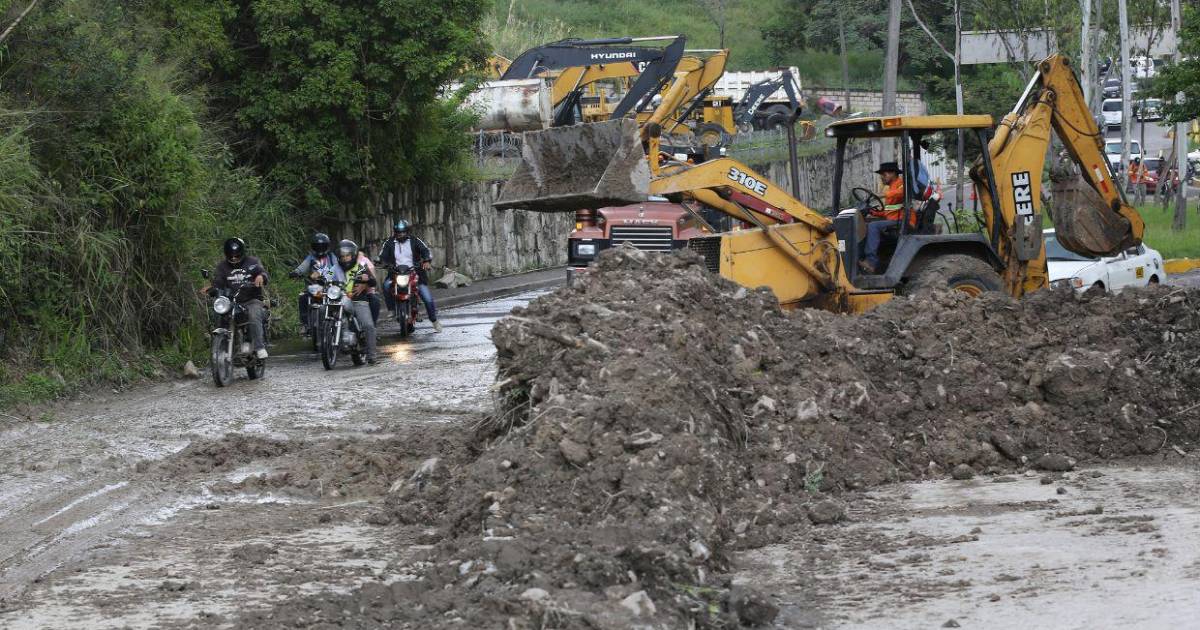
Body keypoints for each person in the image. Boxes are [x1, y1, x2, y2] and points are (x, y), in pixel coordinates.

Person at [203, 237, 270, 359]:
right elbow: (218, 281)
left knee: (254, 314)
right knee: (220, 315)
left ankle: (259, 347)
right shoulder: (222, 267)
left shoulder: (253, 262)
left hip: (251, 299)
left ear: (242, 253)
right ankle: (221, 348)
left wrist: (261, 276)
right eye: (231, 256)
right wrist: (212, 289)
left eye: (237, 255)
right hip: (230, 301)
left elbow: (263, 273)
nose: (234, 258)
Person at [377, 219, 442, 332]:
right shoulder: (389, 242)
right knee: (386, 286)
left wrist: (426, 260)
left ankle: (434, 320)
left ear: (407, 232)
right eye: (398, 232)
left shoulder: (415, 240)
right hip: (396, 274)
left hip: (415, 273)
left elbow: (425, 251)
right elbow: (382, 256)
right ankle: (392, 310)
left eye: (403, 232)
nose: (401, 234)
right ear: (395, 232)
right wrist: (382, 262)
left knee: (427, 298)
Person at [337, 239, 379, 365]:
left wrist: (366, 280)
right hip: (339, 300)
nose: (345, 258)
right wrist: (319, 274)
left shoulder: (360, 267)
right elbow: (326, 274)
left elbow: (373, 281)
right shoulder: (335, 268)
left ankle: (372, 355)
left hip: (358, 300)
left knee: (368, 325)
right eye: (342, 256)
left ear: (353, 255)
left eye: (347, 256)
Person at [861, 162, 906, 274]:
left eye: (884, 174)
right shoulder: (891, 187)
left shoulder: (901, 184)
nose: (882, 177)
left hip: (902, 220)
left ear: (893, 174)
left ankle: (871, 262)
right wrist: (873, 212)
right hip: (894, 219)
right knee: (868, 224)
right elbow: (889, 211)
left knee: (873, 226)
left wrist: (883, 194)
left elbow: (901, 192)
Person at [288, 233, 338, 335]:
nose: (320, 249)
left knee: (339, 301)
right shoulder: (311, 257)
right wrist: (296, 272)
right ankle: (305, 324)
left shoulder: (331, 257)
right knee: (303, 297)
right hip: (315, 287)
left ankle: (337, 321)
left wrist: (325, 275)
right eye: (317, 246)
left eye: (322, 246)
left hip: (330, 287)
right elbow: (303, 267)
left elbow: (336, 268)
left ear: (327, 246)